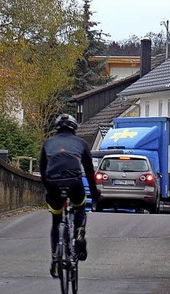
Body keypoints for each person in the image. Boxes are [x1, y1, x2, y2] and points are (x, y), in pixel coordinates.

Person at [39, 113, 100, 278]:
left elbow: (43, 171)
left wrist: (48, 189)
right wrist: (95, 194)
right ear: (74, 128)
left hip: (53, 184)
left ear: (57, 128)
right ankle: (79, 232)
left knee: (56, 219)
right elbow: (89, 172)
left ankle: (55, 262)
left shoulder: (48, 143)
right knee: (80, 206)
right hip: (74, 182)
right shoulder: (81, 143)